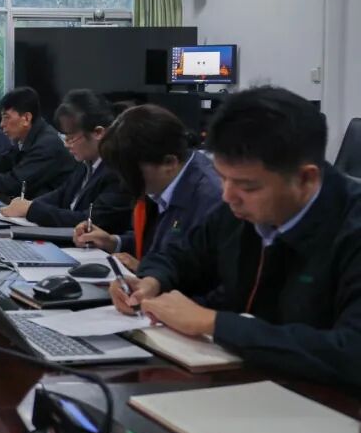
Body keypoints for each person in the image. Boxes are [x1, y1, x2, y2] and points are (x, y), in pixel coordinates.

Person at [110, 86, 361, 390]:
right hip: (247, 380)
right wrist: (151, 280)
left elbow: (350, 353)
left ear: (306, 178)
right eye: (222, 177)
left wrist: (213, 323)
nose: (228, 196)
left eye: (247, 186)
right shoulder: (238, 212)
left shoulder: (350, 229)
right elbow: (183, 254)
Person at [74, 103, 221, 270]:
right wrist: (113, 242)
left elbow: (202, 274)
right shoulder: (164, 183)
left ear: (169, 162)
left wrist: (148, 274)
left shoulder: (209, 200)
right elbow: (157, 243)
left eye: (131, 172)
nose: (125, 182)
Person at [1, 89, 133, 233]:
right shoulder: (85, 164)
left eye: (71, 138)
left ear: (98, 132)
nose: (66, 144)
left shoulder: (118, 172)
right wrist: (26, 204)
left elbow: (90, 221)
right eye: (65, 137)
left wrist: (32, 209)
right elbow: (61, 194)